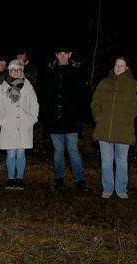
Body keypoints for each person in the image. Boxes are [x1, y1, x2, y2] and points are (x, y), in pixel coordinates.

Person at [40, 44, 91, 192]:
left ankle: (80, 180)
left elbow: (84, 96)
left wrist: (81, 115)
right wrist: (46, 116)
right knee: (58, 151)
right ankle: (58, 178)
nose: (62, 56)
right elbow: (43, 96)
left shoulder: (77, 72)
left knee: (73, 150)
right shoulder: (49, 72)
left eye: (65, 53)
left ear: (70, 54)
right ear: (56, 55)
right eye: (59, 53)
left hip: (71, 121)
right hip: (54, 121)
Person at [91, 56, 137, 199]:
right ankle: (107, 188)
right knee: (106, 161)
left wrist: (128, 119)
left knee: (121, 160)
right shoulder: (104, 83)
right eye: (116, 65)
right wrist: (98, 117)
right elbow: (95, 103)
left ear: (127, 68)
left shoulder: (132, 84)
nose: (118, 68)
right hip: (104, 128)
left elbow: (135, 105)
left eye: (122, 65)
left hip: (123, 129)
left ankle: (121, 189)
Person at [0, 59, 39, 190]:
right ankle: (11, 178)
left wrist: (32, 119)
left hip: (24, 125)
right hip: (9, 125)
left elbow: (34, 105)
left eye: (18, 70)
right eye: (13, 70)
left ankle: (20, 179)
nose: (16, 72)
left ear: (22, 71)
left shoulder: (28, 88)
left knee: (21, 153)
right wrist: (2, 121)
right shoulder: (2, 88)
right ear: (9, 71)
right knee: (11, 153)